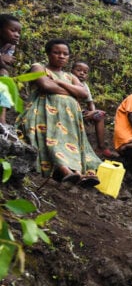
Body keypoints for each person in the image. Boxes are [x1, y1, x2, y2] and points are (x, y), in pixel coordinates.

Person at [20, 39, 101, 186]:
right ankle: (65, 171)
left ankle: (78, 173)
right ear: (48, 54)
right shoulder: (38, 68)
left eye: (65, 54)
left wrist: (60, 82)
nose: (61, 56)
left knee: (71, 143)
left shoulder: (71, 77)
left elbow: (83, 93)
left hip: (68, 118)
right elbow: (45, 85)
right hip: (44, 113)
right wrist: (71, 92)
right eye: (57, 52)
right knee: (53, 139)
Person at [70, 61, 115, 157]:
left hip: (78, 111)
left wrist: (92, 112)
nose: (82, 73)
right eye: (79, 70)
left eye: (85, 72)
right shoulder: (67, 79)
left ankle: (101, 147)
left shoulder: (84, 85)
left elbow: (90, 102)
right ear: (71, 70)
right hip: (67, 110)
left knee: (100, 115)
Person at [0, 14, 22, 125]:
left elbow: (4, 66)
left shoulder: (10, 46)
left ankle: (2, 122)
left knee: (5, 78)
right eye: (13, 31)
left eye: (19, 32)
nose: (17, 35)